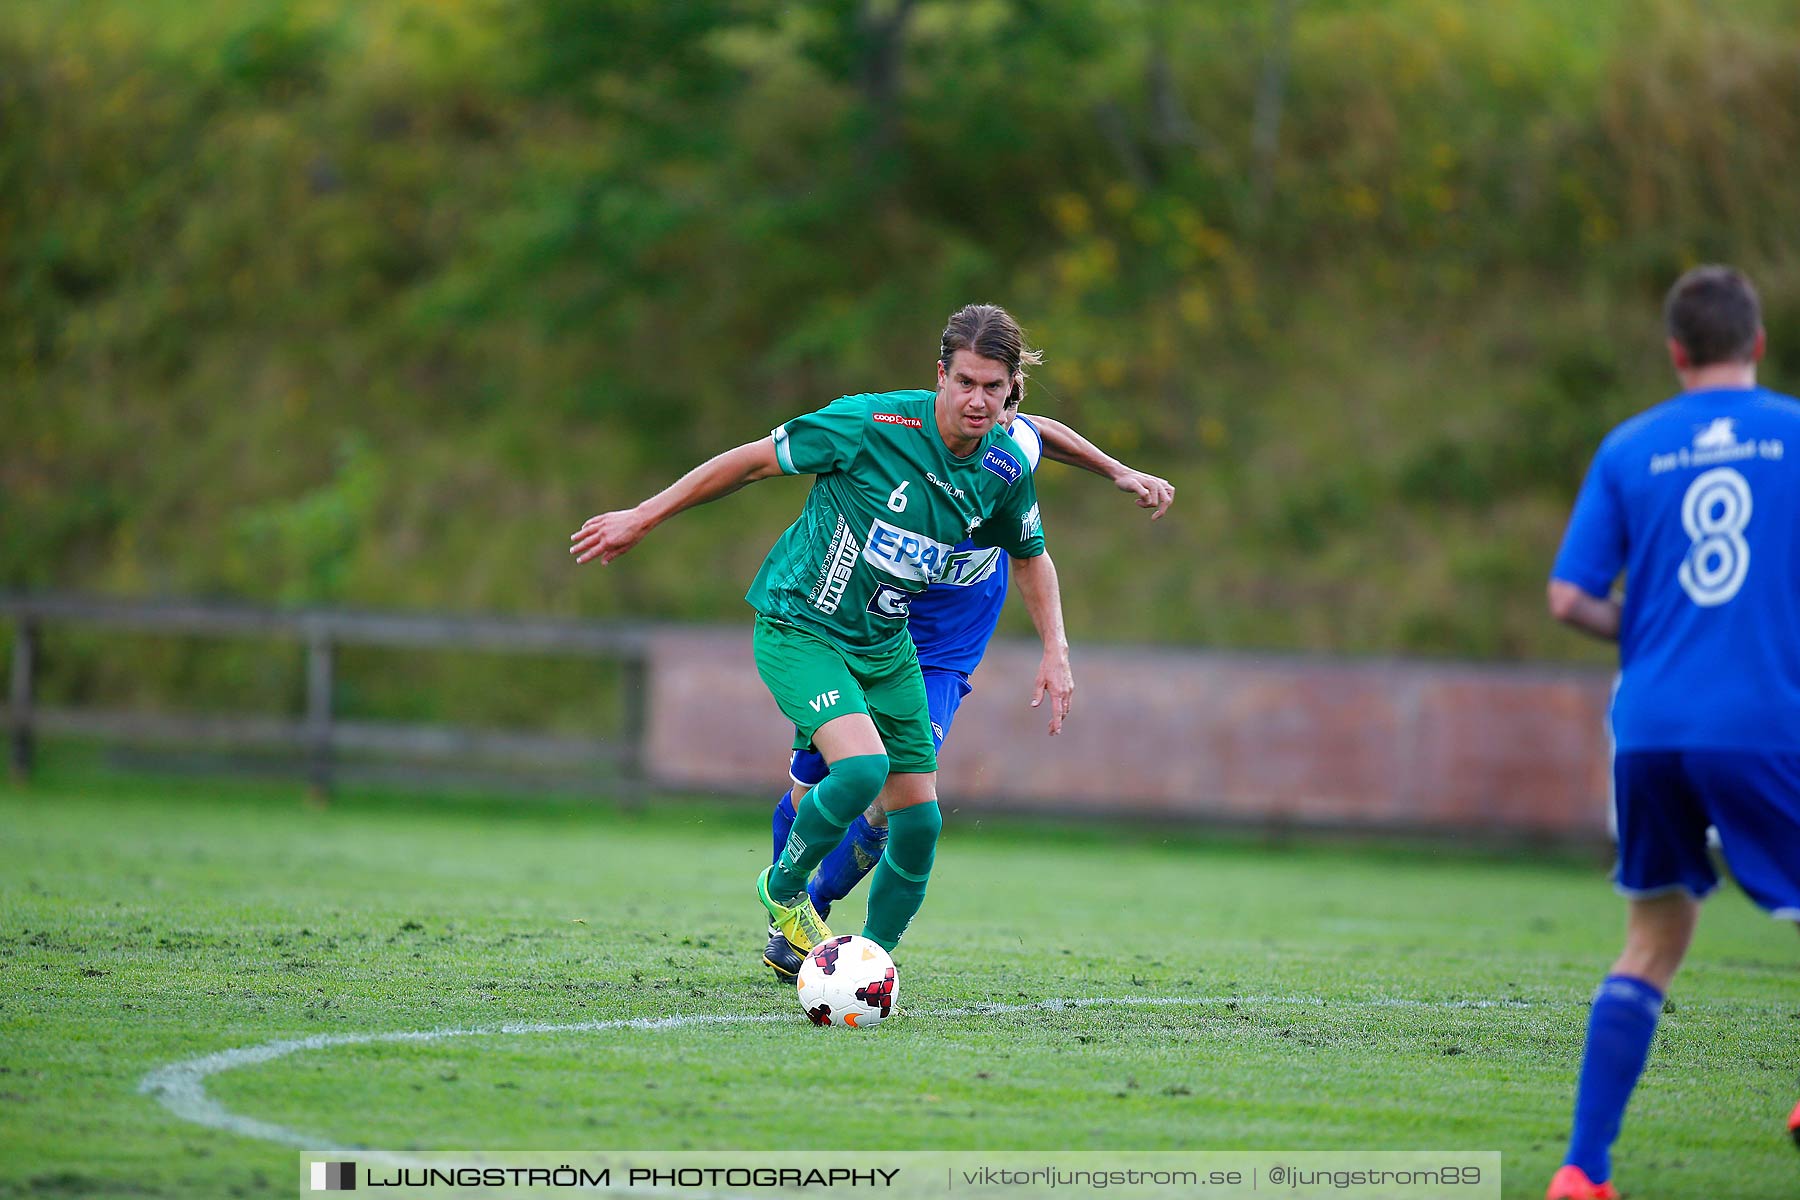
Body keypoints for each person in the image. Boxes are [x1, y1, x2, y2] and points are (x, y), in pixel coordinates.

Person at [572, 304, 1075, 966]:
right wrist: (645, 514)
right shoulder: (872, 424)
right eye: (965, 382)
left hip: (886, 643)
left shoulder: (1006, 468)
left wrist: (1055, 651)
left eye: (992, 387)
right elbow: (750, 463)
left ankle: (873, 961)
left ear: (1012, 388)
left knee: (920, 821)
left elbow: (1030, 552)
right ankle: (782, 891)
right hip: (801, 625)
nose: (977, 400)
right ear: (941, 377)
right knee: (862, 770)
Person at [761, 392, 1174, 978]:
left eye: (1003, 409)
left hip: (941, 650)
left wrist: (1118, 471)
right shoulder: (913, 445)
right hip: (867, 624)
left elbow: (1043, 447)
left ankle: (824, 927)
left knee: (894, 800)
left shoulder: (1009, 457)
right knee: (811, 783)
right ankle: (788, 913)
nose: (992, 424)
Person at [1543, 264, 1800, 1200]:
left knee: (1652, 937)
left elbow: (1570, 597)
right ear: (1758, 345)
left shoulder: (1630, 447)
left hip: (1647, 725)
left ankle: (1582, 1170)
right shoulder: (1796, 434)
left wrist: (1652, 628)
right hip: (1769, 718)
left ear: (1676, 353)